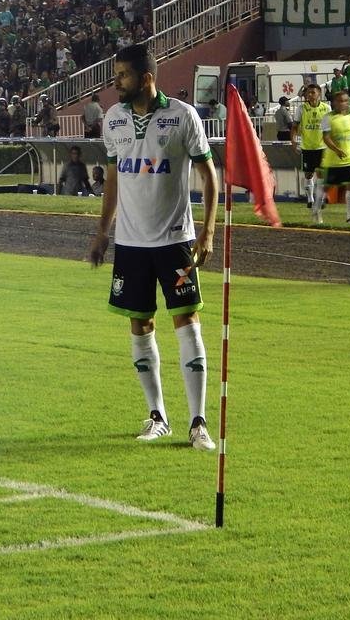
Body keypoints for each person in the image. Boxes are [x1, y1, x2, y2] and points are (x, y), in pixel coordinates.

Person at [88, 43, 219, 452]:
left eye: (122, 75)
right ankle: (158, 415)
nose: (116, 82)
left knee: (187, 324)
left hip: (176, 242)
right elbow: (112, 180)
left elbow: (209, 176)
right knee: (140, 325)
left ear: (146, 78)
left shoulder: (182, 117)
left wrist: (209, 232)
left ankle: (198, 422)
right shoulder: (113, 120)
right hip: (130, 246)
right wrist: (102, 232)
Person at [320, 90, 350, 226]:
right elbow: (326, 138)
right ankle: (316, 210)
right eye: (340, 101)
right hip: (333, 160)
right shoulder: (328, 118)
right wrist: (337, 150)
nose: (342, 103)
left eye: (345, 101)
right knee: (326, 187)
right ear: (334, 103)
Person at [291, 84, 329, 214]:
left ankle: (320, 198)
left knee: (321, 174)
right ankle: (310, 199)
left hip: (322, 146)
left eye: (313, 92)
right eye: (308, 93)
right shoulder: (301, 109)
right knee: (308, 174)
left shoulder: (326, 108)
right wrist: (294, 141)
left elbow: (330, 128)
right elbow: (295, 126)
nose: (310, 95)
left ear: (319, 94)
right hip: (307, 147)